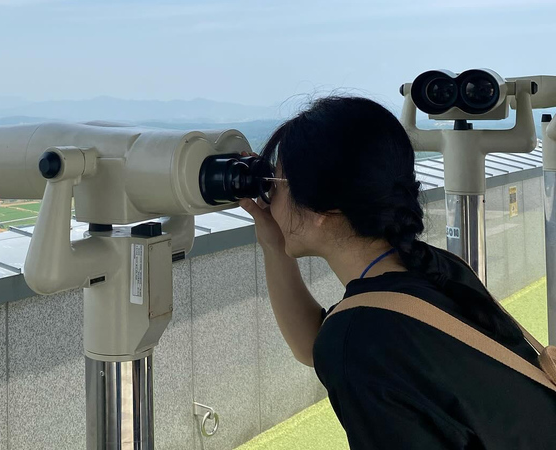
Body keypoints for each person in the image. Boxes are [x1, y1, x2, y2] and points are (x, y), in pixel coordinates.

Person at [238, 96, 556, 449]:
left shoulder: (358, 336)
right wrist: (273, 243)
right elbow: (315, 346)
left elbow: (345, 346)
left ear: (323, 208)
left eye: (275, 184)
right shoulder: (436, 267)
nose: (269, 198)